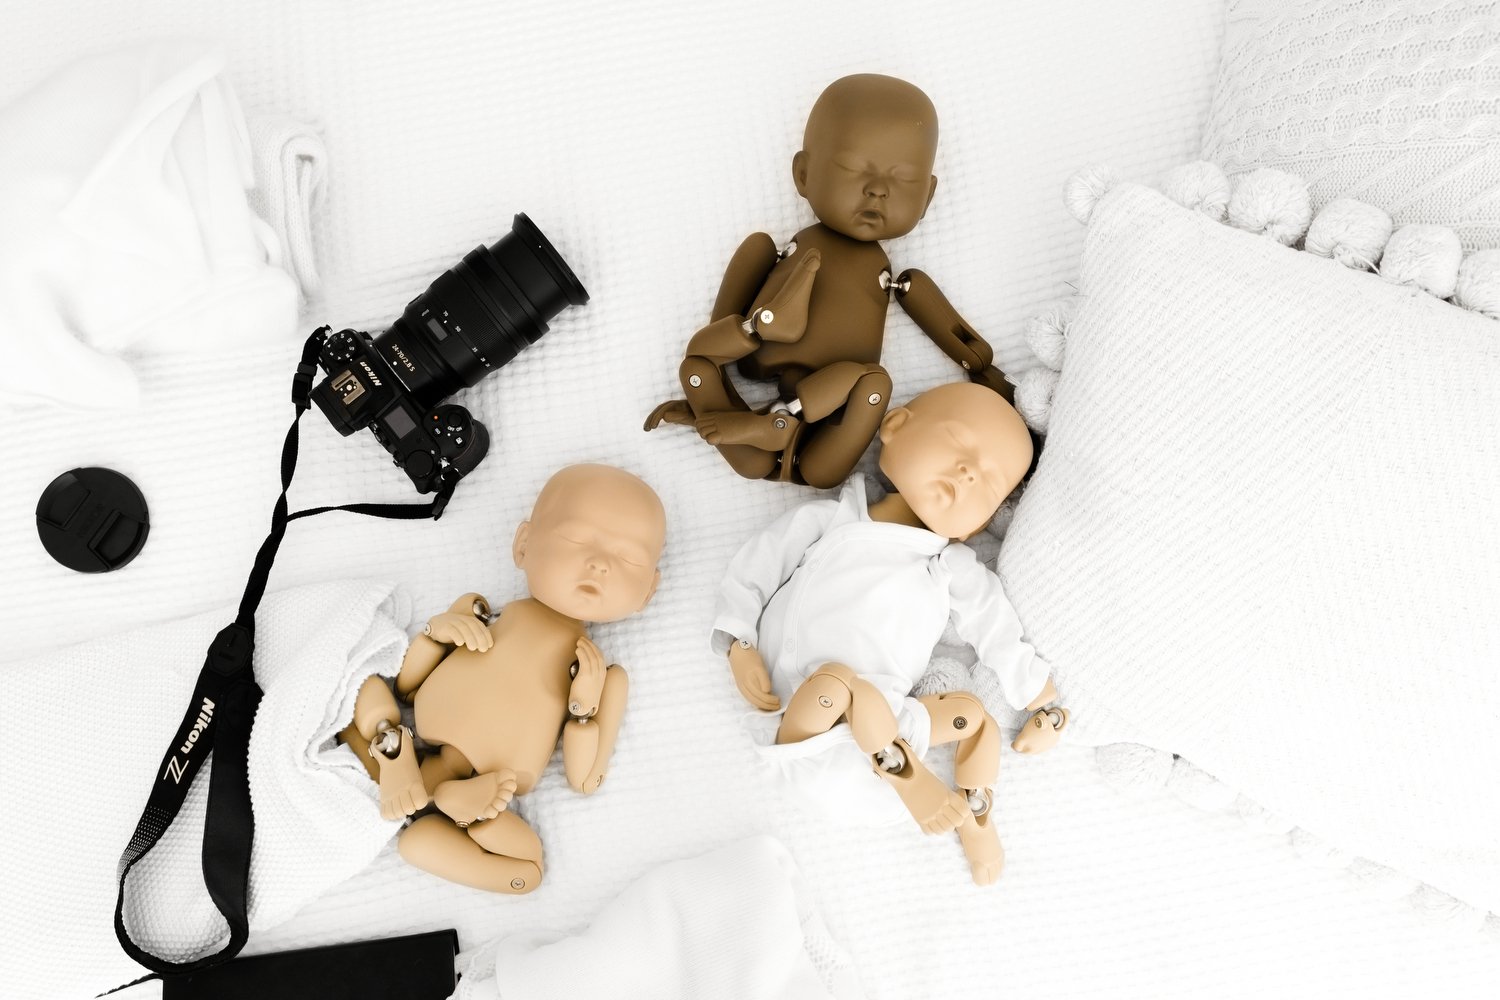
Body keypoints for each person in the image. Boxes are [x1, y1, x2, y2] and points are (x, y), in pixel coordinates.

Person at [713, 382, 1066, 884]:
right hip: (809, 721)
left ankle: (977, 813)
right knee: (837, 682)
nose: (968, 472)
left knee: (974, 717)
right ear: (895, 426)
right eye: (959, 446)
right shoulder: (831, 520)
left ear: (977, 524)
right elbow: (755, 568)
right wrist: (738, 640)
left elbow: (996, 627)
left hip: (883, 723)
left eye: (987, 484)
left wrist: (1041, 698)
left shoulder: (949, 565)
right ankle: (902, 771)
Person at [647, 74, 1013, 487]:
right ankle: (764, 331)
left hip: (830, 438)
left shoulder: (903, 282)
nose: (877, 190)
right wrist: (708, 398)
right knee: (696, 363)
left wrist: (983, 368)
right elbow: (715, 341)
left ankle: (780, 420)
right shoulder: (769, 250)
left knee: (874, 380)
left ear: (926, 197)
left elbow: (953, 331)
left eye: (903, 181)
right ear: (803, 174)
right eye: (854, 169)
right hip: (749, 417)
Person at [338, 464, 666, 893]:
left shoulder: (606, 679)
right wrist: (440, 633)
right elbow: (406, 684)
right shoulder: (480, 609)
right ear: (524, 544)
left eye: (627, 559)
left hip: (492, 776)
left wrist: (583, 708)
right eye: (577, 539)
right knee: (360, 681)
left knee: (495, 862)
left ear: (648, 592)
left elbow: (584, 778)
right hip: (424, 727)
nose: (599, 564)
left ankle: (443, 791)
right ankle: (394, 747)